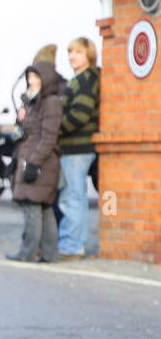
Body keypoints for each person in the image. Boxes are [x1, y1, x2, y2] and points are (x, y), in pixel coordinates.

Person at [7, 62, 64, 262]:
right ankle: (49, 254)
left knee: (32, 205)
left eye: (36, 78)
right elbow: (21, 134)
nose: (32, 82)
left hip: (40, 161)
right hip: (32, 158)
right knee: (43, 207)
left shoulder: (51, 102)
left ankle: (27, 252)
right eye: (29, 78)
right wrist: (20, 121)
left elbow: (49, 137)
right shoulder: (32, 103)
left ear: (46, 80)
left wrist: (34, 162)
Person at [57, 37, 99, 259]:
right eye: (71, 52)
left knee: (72, 197)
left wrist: (56, 128)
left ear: (89, 55)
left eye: (78, 52)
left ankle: (72, 246)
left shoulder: (85, 80)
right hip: (74, 147)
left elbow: (80, 114)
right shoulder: (81, 78)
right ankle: (71, 243)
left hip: (77, 147)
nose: (72, 56)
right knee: (73, 195)